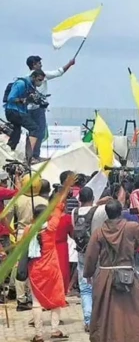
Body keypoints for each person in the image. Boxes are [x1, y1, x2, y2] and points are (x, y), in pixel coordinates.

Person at [83, 199, 139, 342]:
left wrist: (88, 274)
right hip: (128, 275)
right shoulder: (131, 227)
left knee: (105, 310)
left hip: (105, 275)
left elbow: (90, 256)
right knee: (132, 309)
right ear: (121, 212)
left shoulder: (98, 232)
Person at [5, 175, 49, 311]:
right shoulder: (44, 201)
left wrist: (12, 230)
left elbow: (6, 217)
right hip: (39, 234)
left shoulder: (17, 199)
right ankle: (35, 294)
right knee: (36, 265)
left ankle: (21, 298)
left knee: (20, 267)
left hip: (21, 233)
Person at [26, 203, 68, 341]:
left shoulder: (28, 230)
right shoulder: (51, 227)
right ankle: (55, 330)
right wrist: (60, 196)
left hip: (35, 270)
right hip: (52, 269)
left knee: (36, 302)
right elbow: (58, 210)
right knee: (56, 298)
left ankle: (38, 334)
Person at [72, 187, 109, 332]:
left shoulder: (74, 212)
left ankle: (88, 320)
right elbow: (116, 204)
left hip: (81, 252)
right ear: (93, 197)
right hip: (98, 252)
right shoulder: (99, 210)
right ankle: (99, 318)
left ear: (79, 199)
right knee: (98, 285)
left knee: (85, 288)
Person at [25, 55, 75, 160]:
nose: (41, 65)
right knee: (40, 131)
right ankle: (34, 155)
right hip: (38, 109)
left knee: (33, 132)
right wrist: (70, 64)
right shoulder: (42, 75)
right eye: (39, 63)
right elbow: (59, 72)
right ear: (34, 64)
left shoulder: (26, 78)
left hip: (28, 109)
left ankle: (30, 155)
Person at [4, 70, 46, 160]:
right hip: (13, 111)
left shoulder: (30, 86)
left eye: (42, 80)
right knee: (34, 128)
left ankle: (9, 150)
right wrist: (23, 100)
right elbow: (10, 98)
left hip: (19, 111)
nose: (40, 82)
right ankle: (30, 157)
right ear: (34, 77)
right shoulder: (21, 83)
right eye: (39, 80)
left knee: (17, 132)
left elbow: (28, 100)